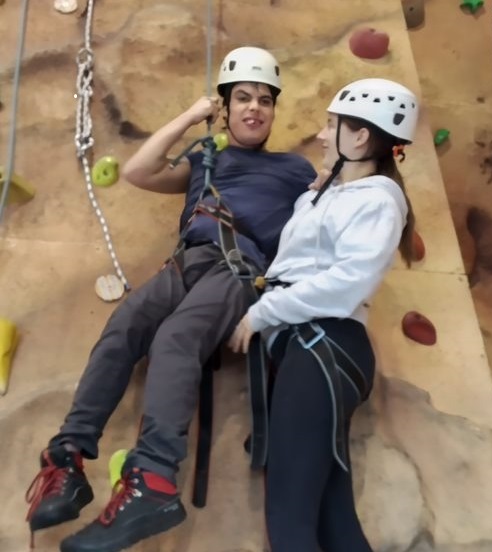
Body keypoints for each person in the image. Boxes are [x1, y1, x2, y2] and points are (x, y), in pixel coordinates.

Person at [23, 46, 316, 552]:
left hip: (238, 269)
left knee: (176, 338)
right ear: (225, 105)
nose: (255, 108)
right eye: (243, 97)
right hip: (186, 263)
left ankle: (155, 480)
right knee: (123, 328)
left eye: (265, 101)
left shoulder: (292, 170)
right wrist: (191, 117)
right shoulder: (207, 159)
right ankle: (67, 458)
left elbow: (331, 215)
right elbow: (139, 171)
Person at [228, 77, 420, 552]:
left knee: (290, 520)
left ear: (360, 138)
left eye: (331, 124)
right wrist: (315, 194)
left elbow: (346, 283)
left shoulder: (377, 200)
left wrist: (263, 311)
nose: (319, 134)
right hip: (315, 350)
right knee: (334, 522)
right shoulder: (331, 196)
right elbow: (302, 259)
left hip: (324, 345)